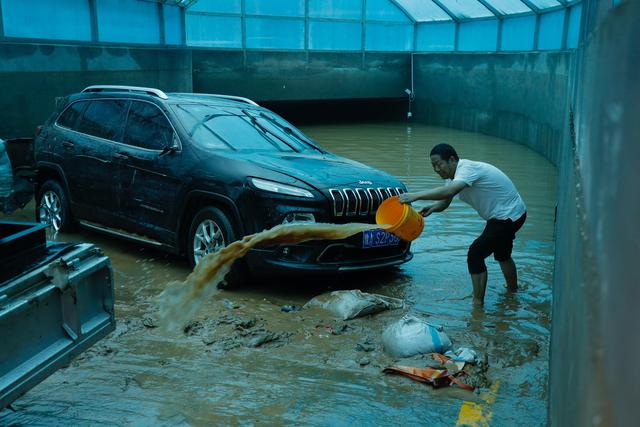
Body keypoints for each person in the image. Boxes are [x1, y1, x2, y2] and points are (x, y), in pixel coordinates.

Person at [398, 143, 526, 306]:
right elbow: (445, 202)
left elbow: (449, 192)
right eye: (433, 166)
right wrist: (431, 208)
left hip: (507, 215)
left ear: (452, 159)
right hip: (511, 214)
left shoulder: (466, 169)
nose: (436, 169)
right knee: (502, 254)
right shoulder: (454, 179)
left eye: (438, 164)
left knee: (475, 253)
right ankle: (513, 292)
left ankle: (477, 304)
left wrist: (415, 196)